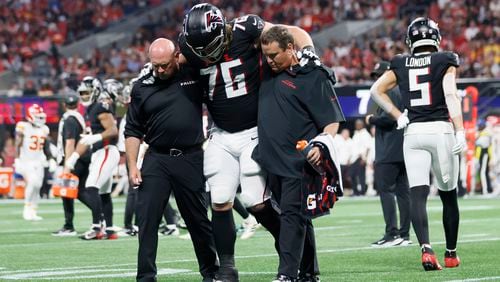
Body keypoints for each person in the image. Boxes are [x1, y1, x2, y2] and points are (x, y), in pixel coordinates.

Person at [179, 4, 318, 280]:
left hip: (255, 129)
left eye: (211, 45)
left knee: (256, 201)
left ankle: (295, 254)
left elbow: (290, 33)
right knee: (219, 199)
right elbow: (175, 59)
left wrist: (309, 53)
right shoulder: (188, 44)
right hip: (219, 132)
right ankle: (227, 269)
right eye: (200, 48)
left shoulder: (246, 29)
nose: (206, 54)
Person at [370, 17, 465, 271]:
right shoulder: (445, 59)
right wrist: (460, 130)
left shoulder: (401, 62)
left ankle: (425, 249)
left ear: (411, 40)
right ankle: (451, 254)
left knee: (417, 194)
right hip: (440, 130)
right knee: (448, 196)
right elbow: (450, 95)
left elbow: (376, 90)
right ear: (436, 38)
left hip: (413, 133)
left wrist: (398, 115)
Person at [255, 26, 345, 282]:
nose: (269, 61)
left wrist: (321, 145)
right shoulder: (267, 73)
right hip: (271, 161)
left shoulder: (313, 75)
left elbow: (331, 121)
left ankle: (287, 274)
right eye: (266, 56)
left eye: (274, 55)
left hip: (298, 163)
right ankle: (308, 273)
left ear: (291, 48)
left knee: (293, 217)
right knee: (298, 217)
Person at [125, 38, 218, 282]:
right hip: (157, 158)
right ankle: (145, 277)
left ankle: (211, 273)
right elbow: (132, 130)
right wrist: (132, 165)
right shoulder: (141, 87)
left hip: (191, 157)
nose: (160, 70)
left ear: (176, 56)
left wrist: (185, 56)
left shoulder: (193, 73)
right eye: (155, 65)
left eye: (165, 64)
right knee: (147, 220)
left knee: (198, 220)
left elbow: (204, 53)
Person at [65, 76, 121, 240]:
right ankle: (110, 230)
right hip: (100, 152)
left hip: (106, 150)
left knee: (91, 186)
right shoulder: (91, 109)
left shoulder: (100, 107)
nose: (83, 96)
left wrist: (95, 138)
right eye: (81, 93)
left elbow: (112, 130)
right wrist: (74, 156)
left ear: (95, 91)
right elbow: (86, 138)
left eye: (87, 93)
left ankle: (97, 227)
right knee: (104, 193)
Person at [365, 61, 411, 247]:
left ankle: (392, 234)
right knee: (404, 193)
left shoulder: (387, 93)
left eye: (379, 75)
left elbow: (387, 119)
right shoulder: (404, 90)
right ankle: (404, 235)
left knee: (386, 191)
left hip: (388, 151)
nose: (377, 79)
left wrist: (371, 119)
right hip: (404, 148)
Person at [52, 94, 91, 236]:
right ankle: (101, 216)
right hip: (83, 157)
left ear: (64, 105)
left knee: (69, 192)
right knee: (81, 191)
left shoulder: (69, 119)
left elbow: (70, 143)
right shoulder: (79, 117)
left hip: (75, 159)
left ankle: (69, 226)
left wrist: (68, 165)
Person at [14, 104, 52, 220]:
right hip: (26, 160)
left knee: (38, 186)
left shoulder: (44, 129)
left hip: (38, 161)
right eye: (37, 116)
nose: (40, 119)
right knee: (33, 183)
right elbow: (18, 142)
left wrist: (50, 159)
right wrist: (17, 159)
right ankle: (27, 207)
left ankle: (33, 210)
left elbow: (46, 145)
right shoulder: (23, 126)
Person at [349, 119, 371, 196]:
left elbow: (368, 147)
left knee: (361, 176)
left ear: (362, 125)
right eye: (356, 124)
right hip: (354, 158)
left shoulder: (365, 134)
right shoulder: (356, 134)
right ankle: (356, 191)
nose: (357, 126)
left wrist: (364, 158)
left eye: (359, 124)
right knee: (352, 174)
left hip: (361, 158)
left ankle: (363, 191)